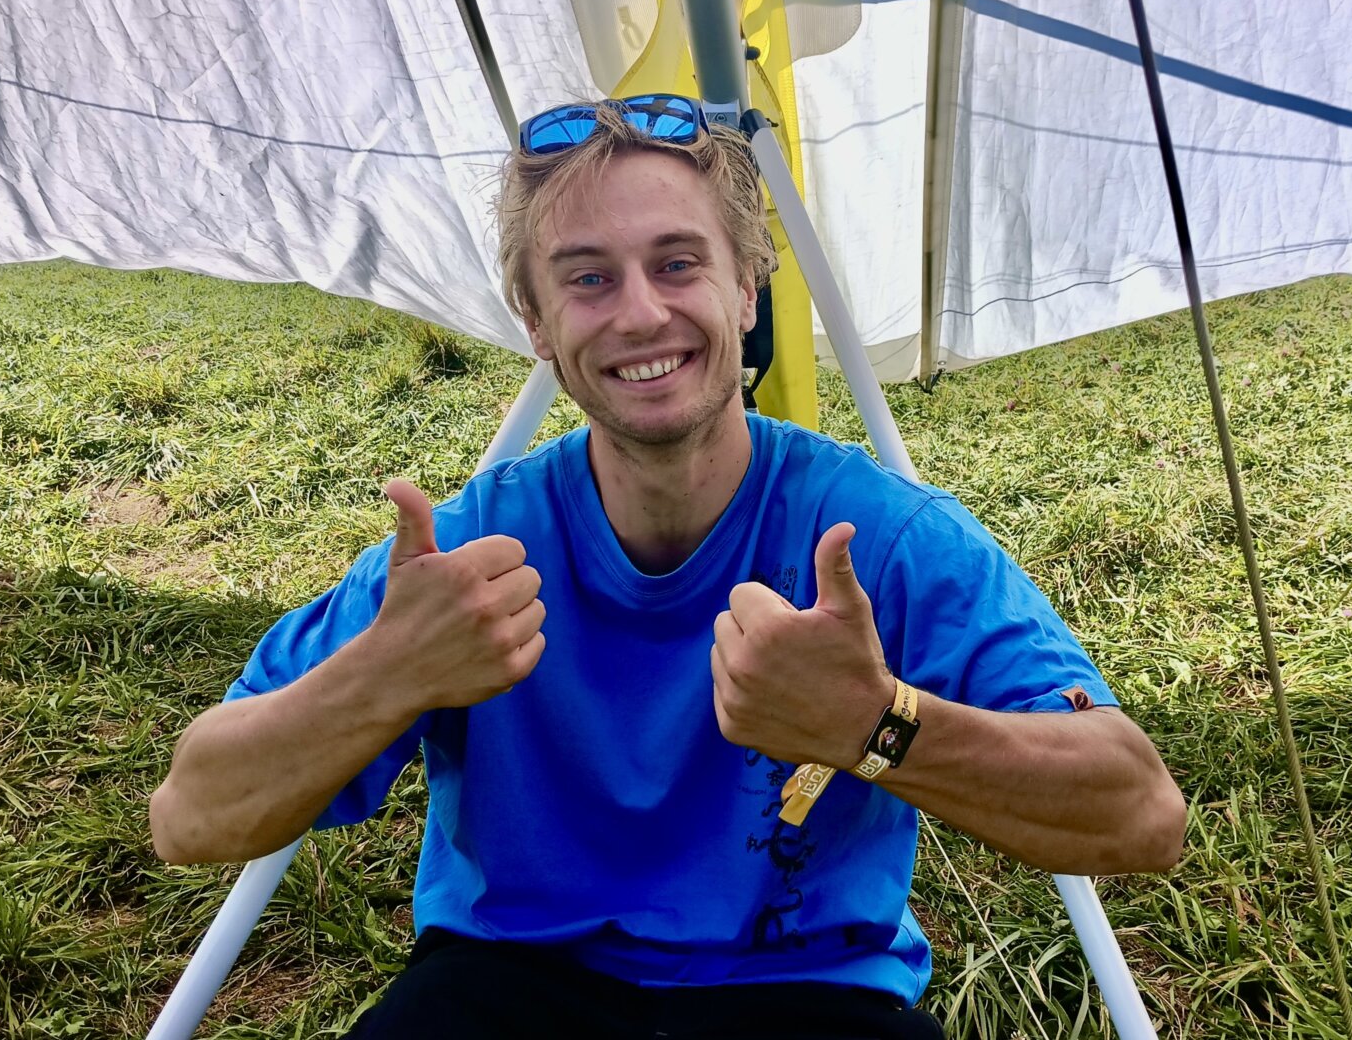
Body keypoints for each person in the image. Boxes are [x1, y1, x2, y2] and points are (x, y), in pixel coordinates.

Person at [149, 95, 1186, 1039]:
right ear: (536, 323)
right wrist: (385, 675)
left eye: (678, 264)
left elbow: (1140, 814)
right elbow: (190, 815)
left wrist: (875, 725)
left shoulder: (876, 536)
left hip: (806, 995)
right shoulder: (471, 554)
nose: (641, 313)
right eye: (588, 278)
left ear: (747, 289)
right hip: (506, 984)